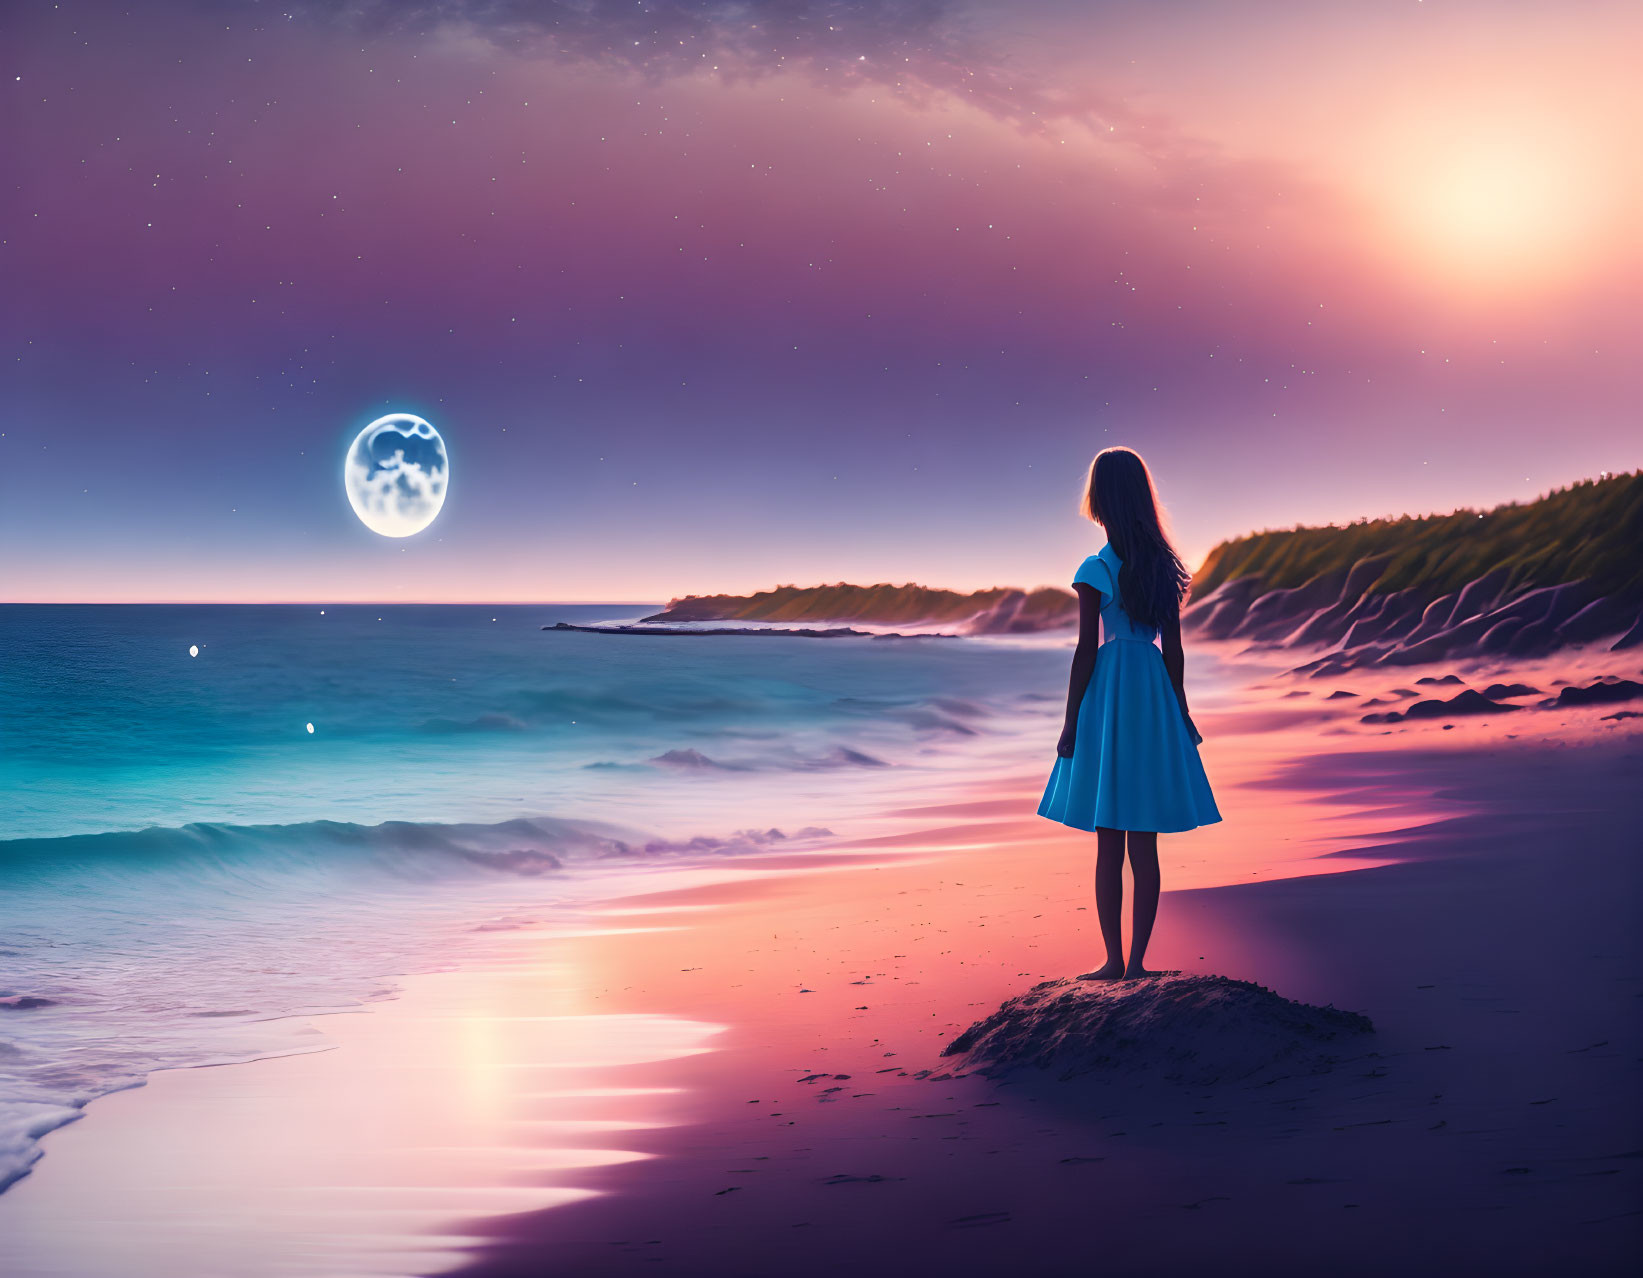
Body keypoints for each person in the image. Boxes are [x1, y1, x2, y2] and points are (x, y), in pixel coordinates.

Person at [1038, 446, 1221, 980]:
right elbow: (1176, 650)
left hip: (1111, 695)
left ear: (1099, 498)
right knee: (1144, 838)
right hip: (1153, 693)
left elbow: (1085, 651)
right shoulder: (1163, 568)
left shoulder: (1096, 569)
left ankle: (1114, 961)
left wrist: (1070, 721)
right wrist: (1180, 711)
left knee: (1108, 836)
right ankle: (1138, 962)